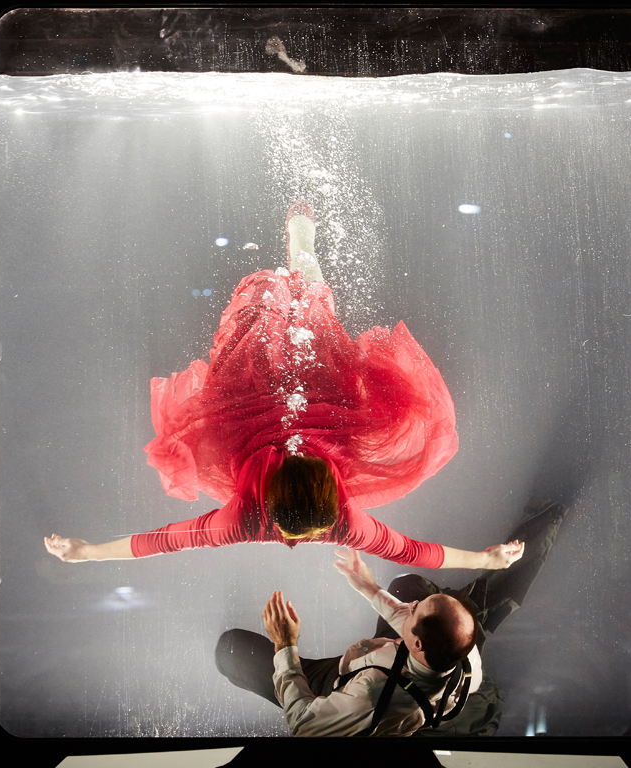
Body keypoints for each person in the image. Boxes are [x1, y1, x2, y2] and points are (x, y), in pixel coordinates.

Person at [44, 201, 523, 570]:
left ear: (270, 493)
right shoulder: (345, 522)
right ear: (334, 488)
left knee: (262, 324)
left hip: (247, 418)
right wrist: (484, 560)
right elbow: (412, 552)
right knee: (316, 313)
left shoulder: (242, 520)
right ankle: (303, 253)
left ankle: (291, 276)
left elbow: (167, 540)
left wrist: (88, 552)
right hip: (327, 413)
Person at [215, 498, 567, 738]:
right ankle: (542, 523)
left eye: (417, 611)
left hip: (353, 694)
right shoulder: (464, 656)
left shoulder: (369, 695)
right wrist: (368, 588)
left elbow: (305, 725)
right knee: (407, 585)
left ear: (416, 645)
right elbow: (409, 617)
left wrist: (285, 645)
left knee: (231, 650)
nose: (410, 608)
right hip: (410, 675)